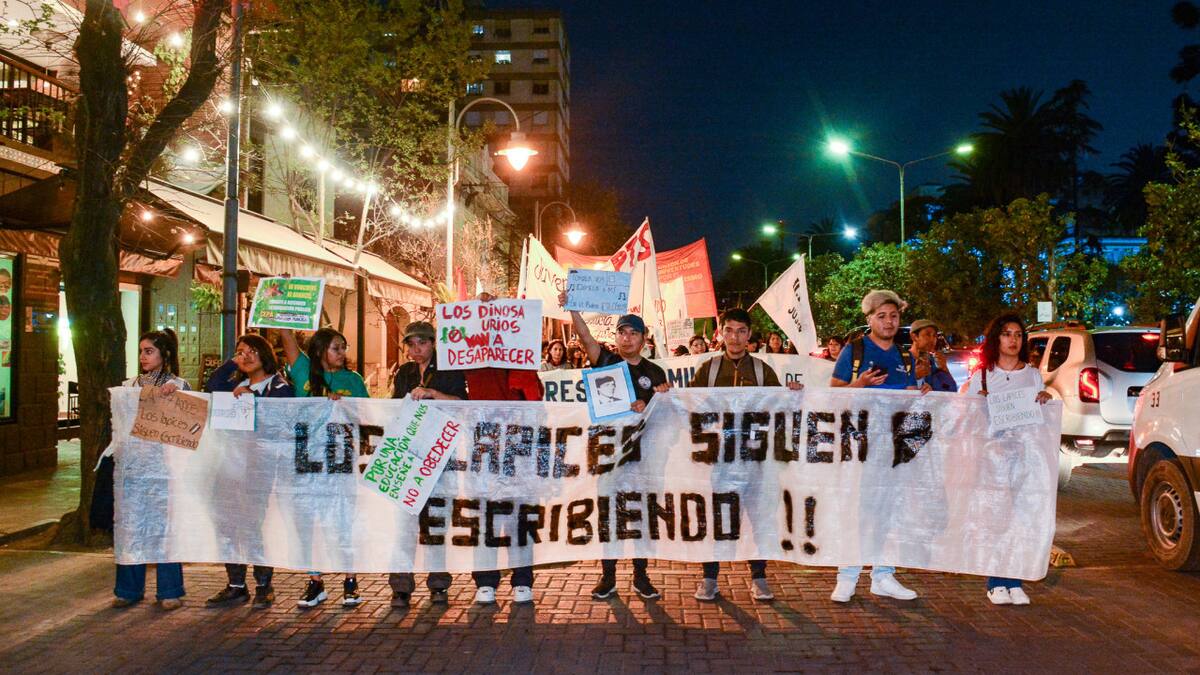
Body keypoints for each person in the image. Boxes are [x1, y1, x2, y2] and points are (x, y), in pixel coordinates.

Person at [690, 308, 803, 603]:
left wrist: (792, 393)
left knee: (759, 519)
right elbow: (689, 405)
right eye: (729, 330)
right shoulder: (709, 370)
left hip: (756, 459)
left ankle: (759, 578)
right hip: (720, 460)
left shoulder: (763, 371)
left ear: (749, 335)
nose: (735, 337)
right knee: (718, 519)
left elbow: (780, 410)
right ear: (721, 333)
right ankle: (709, 578)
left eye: (741, 331)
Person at [565, 292, 670, 600]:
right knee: (607, 515)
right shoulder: (607, 362)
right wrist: (572, 307)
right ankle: (607, 576)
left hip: (642, 458)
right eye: (622, 332)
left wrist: (655, 400)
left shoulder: (655, 372)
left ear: (644, 338)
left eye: (633, 333)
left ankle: (641, 575)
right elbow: (585, 338)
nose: (626, 338)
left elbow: (666, 419)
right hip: (608, 455)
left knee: (640, 516)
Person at [828, 290, 924, 604]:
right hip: (859, 445)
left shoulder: (905, 355)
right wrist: (861, 385)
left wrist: (921, 392)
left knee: (890, 511)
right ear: (869, 319)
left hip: (892, 448)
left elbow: (908, 395)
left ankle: (883, 575)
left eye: (894, 316)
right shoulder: (854, 350)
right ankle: (848, 576)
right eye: (881, 316)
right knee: (857, 510)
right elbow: (834, 393)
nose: (888, 321)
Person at [964, 312, 1051, 607]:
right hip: (992, 461)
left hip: (1023, 458)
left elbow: (1041, 418)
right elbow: (968, 418)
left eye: (1018, 335)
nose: (1013, 340)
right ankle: (995, 582)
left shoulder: (1033, 374)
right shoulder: (983, 376)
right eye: (1007, 334)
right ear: (996, 339)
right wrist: (980, 403)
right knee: (996, 519)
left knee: (1019, 518)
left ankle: (1014, 580)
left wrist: (1045, 399)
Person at [464, 293, 545, 605]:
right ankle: (486, 580)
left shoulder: (521, 361)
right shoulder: (474, 360)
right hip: (484, 444)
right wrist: (477, 310)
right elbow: (452, 342)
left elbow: (534, 400)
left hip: (518, 446)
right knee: (486, 515)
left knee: (520, 517)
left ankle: (522, 579)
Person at [280, 326, 370, 609]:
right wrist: (281, 298)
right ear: (320, 350)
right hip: (307, 461)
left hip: (341, 462)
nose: (342, 353)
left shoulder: (352, 380)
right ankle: (315, 581)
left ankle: (351, 580)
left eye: (344, 347)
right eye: (336, 348)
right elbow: (286, 337)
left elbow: (368, 415)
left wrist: (345, 407)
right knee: (309, 521)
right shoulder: (303, 370)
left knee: (343, 522)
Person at [204, 334, 294, 609]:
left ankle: (264, 583)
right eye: (241, 351)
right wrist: (233, 363)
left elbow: (281, 422)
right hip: (229, 465)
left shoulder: (280, 387)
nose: (246, 356)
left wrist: (253, 399)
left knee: (254, 524)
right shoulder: (232, 384)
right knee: (226, 523)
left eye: (252, 351)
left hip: (259, 467)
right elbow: (211, 386)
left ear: (265, 354)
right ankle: (235, 584)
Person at [388, 321, 467, 608]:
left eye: (422, 342)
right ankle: (400, 586)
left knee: (435, 522)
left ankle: (438, 584)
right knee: (402, 524)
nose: (416, 348)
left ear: (434, 343)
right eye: (411, 343)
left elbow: (462, 403)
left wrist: (433, 394)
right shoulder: (404, 373)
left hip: (439, 457)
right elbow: (393, 408)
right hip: (408, 455)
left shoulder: (449, 371)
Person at [109, 329, 189, 610]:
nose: (143, 357)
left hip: (165, 471)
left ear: (164, 354)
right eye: (141, 351)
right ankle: (128, 589)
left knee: (165, 529)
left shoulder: (180, 385)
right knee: (131, 526)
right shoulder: (128, 386)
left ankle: (170, 590)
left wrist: (174, 396)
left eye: (149, 351)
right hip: (133, 471)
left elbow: (188, 427)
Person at [910, 319, 957, 392]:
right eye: (927, 334)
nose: (932, 339)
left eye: (935, 336)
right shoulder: (902, 360)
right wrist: (914, 377)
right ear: (914, 337)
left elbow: (951, 390)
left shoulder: (933, 362)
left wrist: (945, 369)